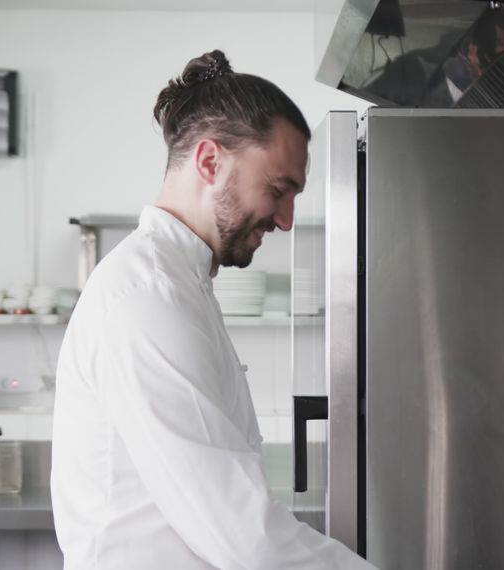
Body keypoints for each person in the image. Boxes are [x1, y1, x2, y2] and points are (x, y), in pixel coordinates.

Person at [50, 50, 376, 569]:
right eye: (278, 190)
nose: (287, 220)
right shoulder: (147, 298)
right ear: (209, 162)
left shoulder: (176, 283)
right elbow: (243, 535)